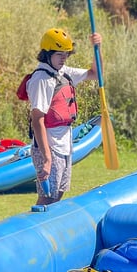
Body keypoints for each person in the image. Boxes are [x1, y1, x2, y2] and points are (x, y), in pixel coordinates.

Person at [25, 28, 101, 206]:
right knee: (47, 198)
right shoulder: (41, 79)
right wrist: (46, 158)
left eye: (66, 54)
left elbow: (96, 74)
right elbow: (37, 120)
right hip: (49, 146)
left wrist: (97, 48)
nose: (63, 58)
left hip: (64, 145)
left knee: (57, 195)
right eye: (59, 54)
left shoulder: (63, 72)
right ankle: (35, 229)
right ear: (47, 54)